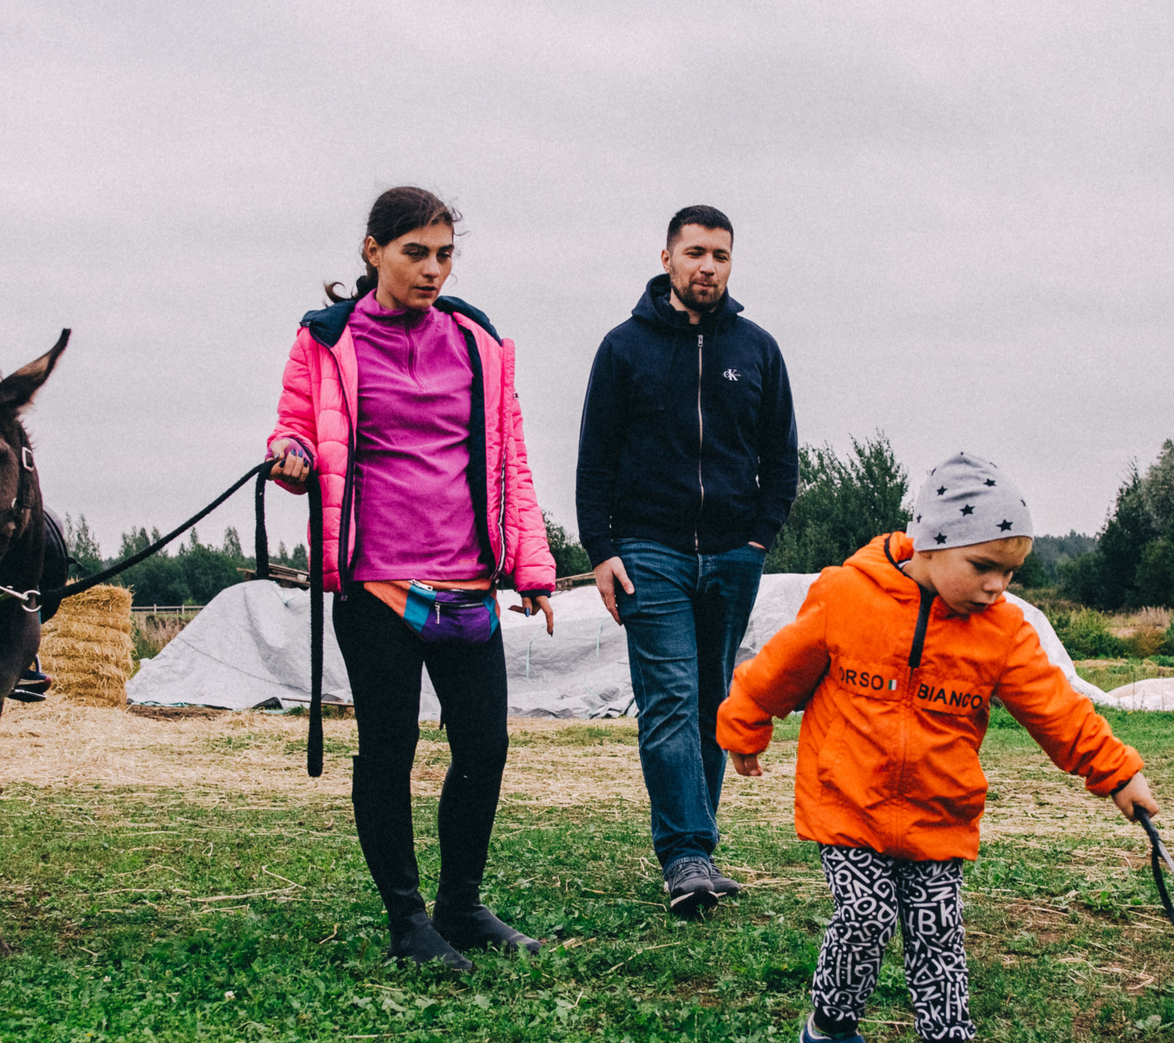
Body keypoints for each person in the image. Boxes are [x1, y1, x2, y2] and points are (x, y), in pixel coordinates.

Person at [715, 454, 1161, 1043]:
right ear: (933, 542)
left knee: (936, 926)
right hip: (849, 800)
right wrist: (744, 727)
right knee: (864, 914)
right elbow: (778, 669)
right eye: (983, 567)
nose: (996, 586)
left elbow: (1056, 707)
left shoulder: (1003, 630)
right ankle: (831, 1031)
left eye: (1010, 572)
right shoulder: (846, 595)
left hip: (938, 808)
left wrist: (1116, 771)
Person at [267, 187, 559, 973]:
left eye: (445, 254)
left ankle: (461, 906)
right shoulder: (325, 338)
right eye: (415, 252)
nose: (433, 269)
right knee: (387, 749)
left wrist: (530, 564)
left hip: (468, 583)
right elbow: (297, 425)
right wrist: (290, 454)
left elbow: (510, 458)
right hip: (375, 585)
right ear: (373, 252)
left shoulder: (477, 340)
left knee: (485, 747)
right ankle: (407, 919)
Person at [574, 205, 800, 920]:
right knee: (670, 698)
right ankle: (687, 854)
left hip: (733, 553)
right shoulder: (623, 349)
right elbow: (594, 460)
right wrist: (603, 550)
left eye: (721, 255)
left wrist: (758, 538)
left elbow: (783, 459)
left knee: (710, 701)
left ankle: (695, 849)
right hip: (649, 550)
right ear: (667, 256)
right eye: (696, 251)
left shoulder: (757, 349)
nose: (708, 266)